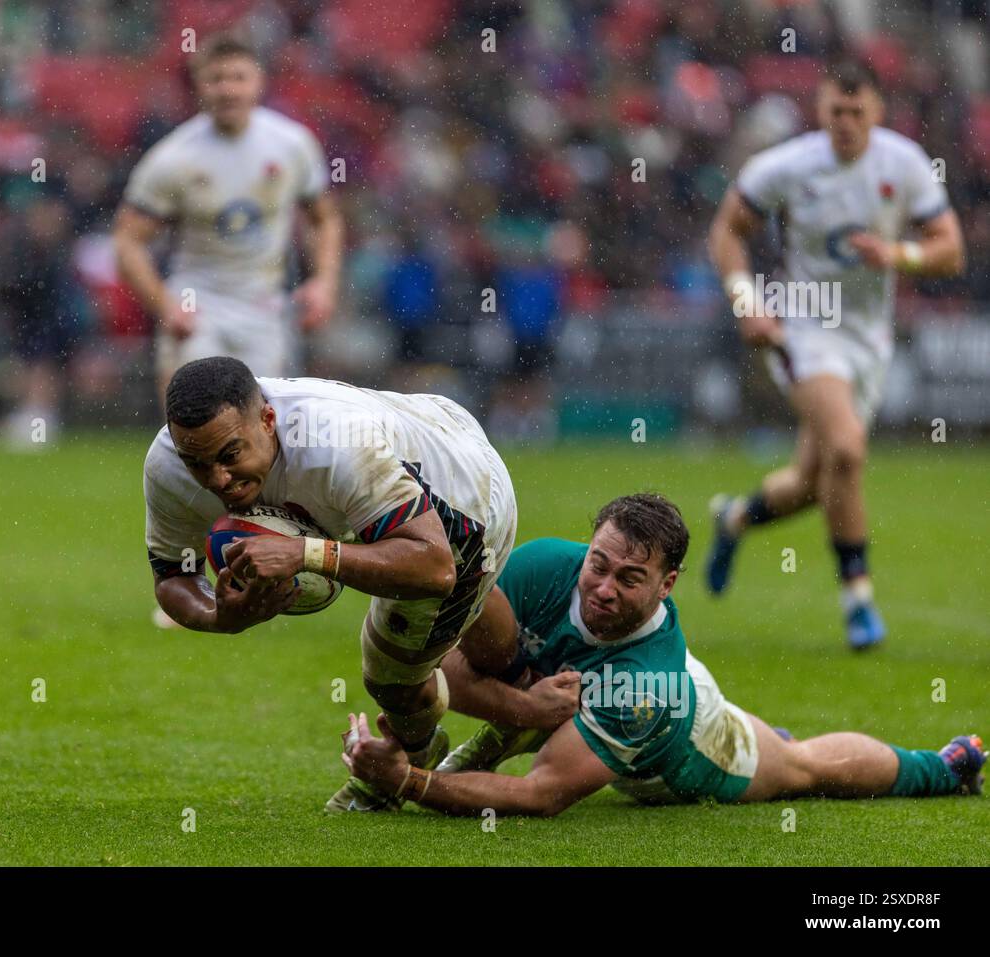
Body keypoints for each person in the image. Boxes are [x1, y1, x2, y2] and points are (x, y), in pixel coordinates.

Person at [342, 494, 984, 816]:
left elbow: (539, 795)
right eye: (598, 565)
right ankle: (515, 723)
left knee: (805, 768)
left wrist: (408, 781)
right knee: (518, 668)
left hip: (686, 738)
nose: (602, 589)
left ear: (666, 585)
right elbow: (449, 662)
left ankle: (946, 767)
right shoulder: (542, 566)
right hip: (588, 699)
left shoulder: (648, 690)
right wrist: (519, 703)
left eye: (629, 579)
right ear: (587, 546)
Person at [144, 356, 520, 813]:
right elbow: (172, 575)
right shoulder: (167, 464)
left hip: (463, 500)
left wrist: (307, 554)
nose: (217, 479)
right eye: (197, 464)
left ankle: (407, 757)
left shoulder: (334, 444)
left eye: (229, 456)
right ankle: (524, 682)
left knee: (390, 673)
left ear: (268, 420)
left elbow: (435, 567)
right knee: (448, 608)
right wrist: (221, 617)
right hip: (412, 430)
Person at [705, 60, 965, 649]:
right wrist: (747, 301)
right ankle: (859, 601)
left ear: (877, 112)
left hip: (869, 339)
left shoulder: (904, 164)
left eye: (856, 112)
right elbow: (727, 231)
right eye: (834, 112)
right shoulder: (786, 166)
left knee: (814, 480)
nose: (845, 123)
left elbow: (951, 251)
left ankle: (735, 518)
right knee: (847, 450)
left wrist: (900, 256)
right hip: (804, 323)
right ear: (820, 112)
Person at [114, 34, 343, 405]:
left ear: (259, 82)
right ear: (199, 86)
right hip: (198, 304)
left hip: (266, 307)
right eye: (216, 79)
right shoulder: (173, 158)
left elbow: (324, 218)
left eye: (238, 78)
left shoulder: (292, 145)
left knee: (268, 429)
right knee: (192, 420)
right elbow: (128, 239)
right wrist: (165, 304)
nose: (228, 89)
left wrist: (324, 284)